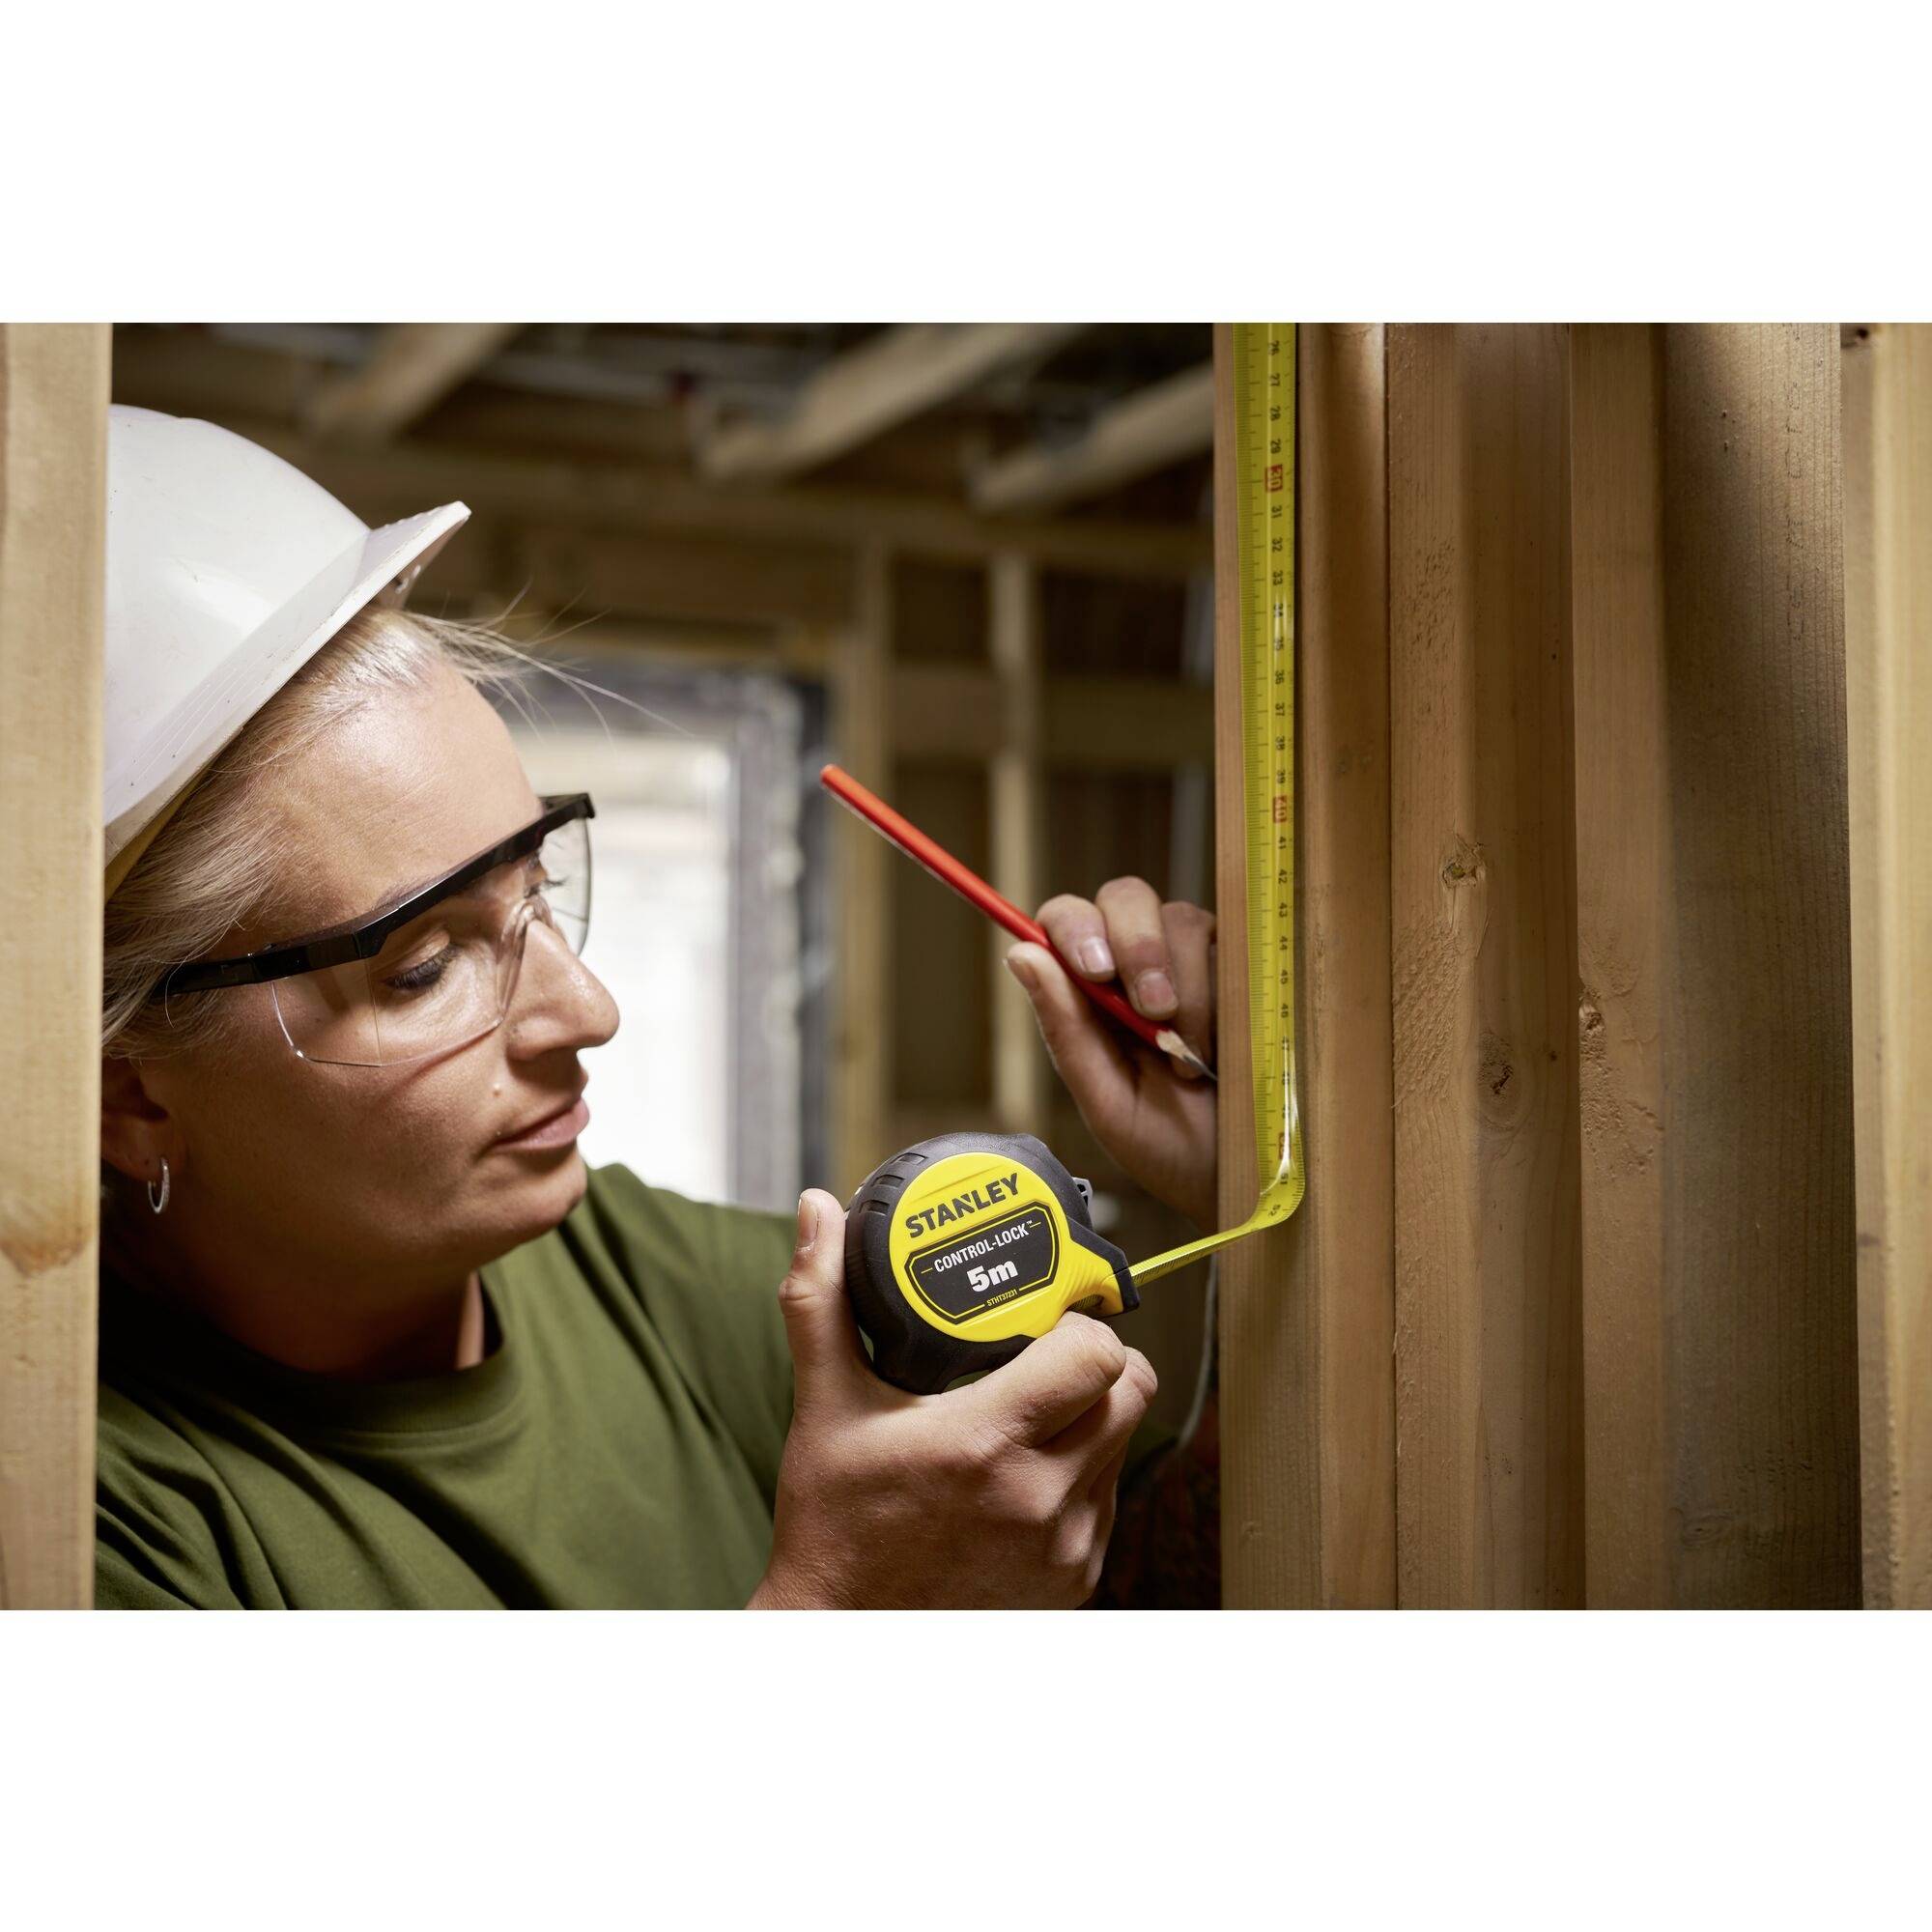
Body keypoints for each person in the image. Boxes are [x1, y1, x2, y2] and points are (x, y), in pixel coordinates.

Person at [94, 409, 1219, 1609]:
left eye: (537, 889)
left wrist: (1264, 1222)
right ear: (128, 1095)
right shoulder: (95, 1528)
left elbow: (1156, 1584)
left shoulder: (637, 1273)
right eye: (422, 966)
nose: (588, 1010)